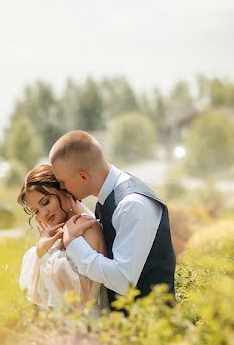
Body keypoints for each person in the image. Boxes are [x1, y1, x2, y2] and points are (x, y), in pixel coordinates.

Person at [49, 131, 176, 308]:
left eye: (62, 181)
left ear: (83, 177)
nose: (62, 187)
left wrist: (73, 243)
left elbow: (123, 281)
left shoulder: (131, 205)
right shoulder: (107, 199)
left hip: (152, 326)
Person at [17, 164, 107, 312]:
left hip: (86, 327)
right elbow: (42, 297)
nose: (44, 213)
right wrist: (44, 249)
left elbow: (79, 300)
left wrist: (44, 254)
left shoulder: (87, 227)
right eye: (36, 211)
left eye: (46, 202)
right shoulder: (59, 233)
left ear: (63, 189)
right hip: (65, 327)